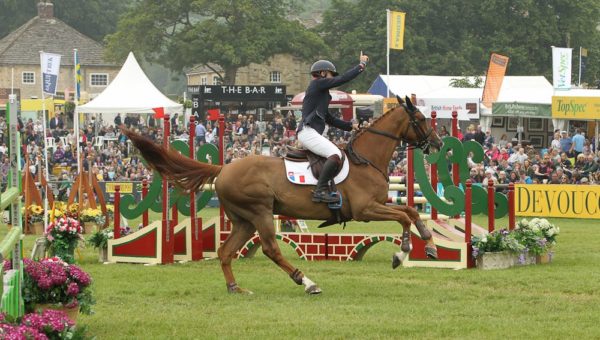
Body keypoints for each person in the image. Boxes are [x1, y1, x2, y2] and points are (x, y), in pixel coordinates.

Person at [297, 53, 368, 203]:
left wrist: (350, 126)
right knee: (335, 154)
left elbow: (330, 119)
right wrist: (361, 65)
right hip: (308, 132)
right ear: (322, 74)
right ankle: (319, 191)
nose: (332, 78)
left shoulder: (322, 93)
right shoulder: (317, 83)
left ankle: (327, 187)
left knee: (336, 153)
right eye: (330, 74)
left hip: (310, 132)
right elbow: (342, 79)